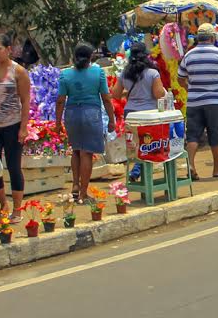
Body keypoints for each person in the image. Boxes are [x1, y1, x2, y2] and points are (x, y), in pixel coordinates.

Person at [56, 42, 116, 203]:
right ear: (90, 57)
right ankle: (83, 193)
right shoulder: (98, 72)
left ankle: (75, 185)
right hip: (91, 114)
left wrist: (57, 123)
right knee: (86, 153)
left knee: (76, 150)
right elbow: (106, 98)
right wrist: (112, 120)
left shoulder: (65, 74)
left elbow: (60, 100)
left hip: (72, 115)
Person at [178, 24, 218, 180]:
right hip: (215, 102)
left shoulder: (189, 55)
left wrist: (189, 88)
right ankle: (216, 169)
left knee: (193, 135)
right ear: (212, 37)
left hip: (194, 102)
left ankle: (191, 165)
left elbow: (180, 78)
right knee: (216, 135)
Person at [0, 34, 32, 221]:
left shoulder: (18, 71)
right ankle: (3, 203)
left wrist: (23, 127)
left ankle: (17, 208)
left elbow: (25, 100)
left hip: (13, 124)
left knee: (13, 166)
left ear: (8, 49)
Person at [114, 41, 167, 114]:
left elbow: (116, 94)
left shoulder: (124, 73)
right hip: (149, 111)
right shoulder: (153, 73)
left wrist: (129, 93)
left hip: (130, 112)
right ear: (145, 57)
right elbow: (159, 95)